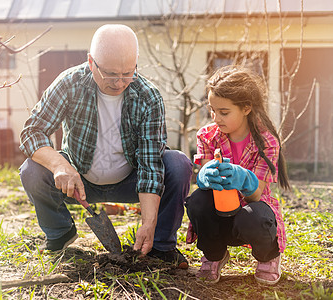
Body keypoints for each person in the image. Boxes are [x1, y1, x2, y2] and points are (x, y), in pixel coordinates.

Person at [19, 24, 193, 268]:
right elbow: (31, 132)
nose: (120, 82)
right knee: (31, 170)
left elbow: (151, 164)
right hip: (78, 183)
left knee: (177, 164)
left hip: (130, 182)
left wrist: (148, 222)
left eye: (127, 73)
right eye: (111, 74)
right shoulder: (70, 84)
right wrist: (60, 166)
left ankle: (161, 246)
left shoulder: (148, 96)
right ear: (91, 63)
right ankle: (60, 235)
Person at [185, 65, 290, 285]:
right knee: (196, 201)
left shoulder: (267, 141)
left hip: (250, 215)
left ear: (246, 108)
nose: (216, 118)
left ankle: (267, 257)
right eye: (212, 110)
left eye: (224, 112)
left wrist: (243, 177)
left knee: (255, 216)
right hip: (219, 214)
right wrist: (205, 175)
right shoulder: (207, 136)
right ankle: (214, 255)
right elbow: (205, 185)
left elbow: (256, 195)